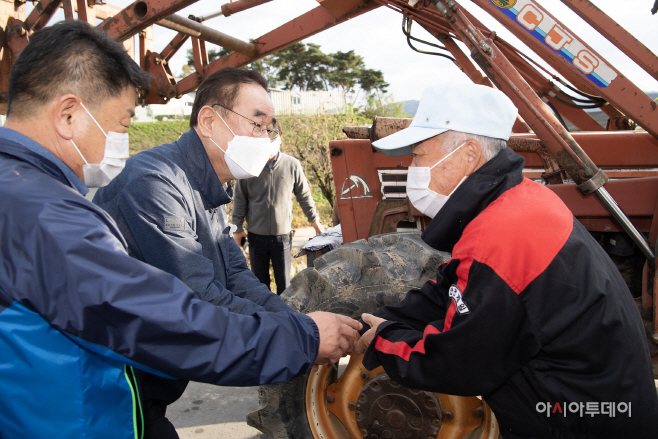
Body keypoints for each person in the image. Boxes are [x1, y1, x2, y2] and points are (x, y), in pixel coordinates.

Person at [0, 20, 361, 439]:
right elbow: (172, 315)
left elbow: (234, 277)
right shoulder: (54, 211)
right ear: (67, 115)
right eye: (121, 126)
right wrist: (302, 338)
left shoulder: (202, 189)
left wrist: (301, 322)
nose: (121, 139)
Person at [353, 83, 658, 438]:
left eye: (419, 157)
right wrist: (389, 316)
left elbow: (459, 363)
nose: (413, 169)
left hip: (583, 421)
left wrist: (382, 338)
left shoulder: (501, 239)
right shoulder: (520, 200)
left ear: (468, 154)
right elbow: (455, 287)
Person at [232, 130, 324, 294]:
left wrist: (315, 221)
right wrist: (237, 229)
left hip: (282, 236)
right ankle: (266, 317)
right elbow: (240, 199)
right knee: (259, 284)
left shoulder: (292, 164)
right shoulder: (249, 166)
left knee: (285, 284)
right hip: (255, 235)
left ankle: (286, 316)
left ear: (279, 140)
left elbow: (303, 195)